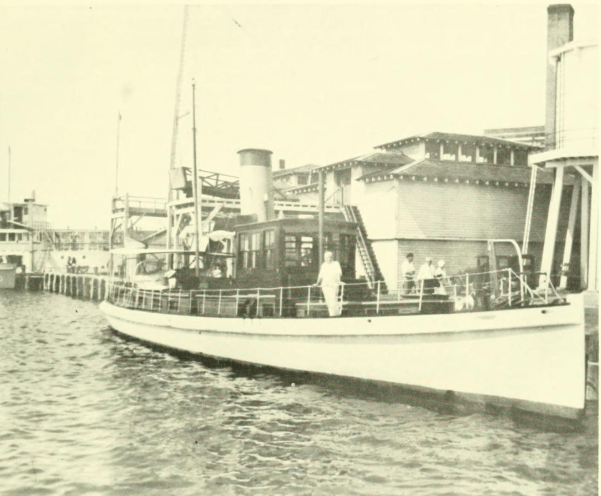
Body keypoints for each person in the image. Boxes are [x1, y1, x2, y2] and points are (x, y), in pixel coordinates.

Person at [315, 251, 343, 317]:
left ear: (333, 257)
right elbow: (320, 275)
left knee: (333, 299)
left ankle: (334, 315)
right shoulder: (324, 265)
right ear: (325, 258)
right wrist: (317, 283)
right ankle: (332, 314)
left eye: (330, 257)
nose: (329, 259)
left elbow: (338, 273)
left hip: (333, 284)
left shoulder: (336, 264)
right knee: (328, 301)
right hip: (325, 285)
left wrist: (339, 281)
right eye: (327, 257)